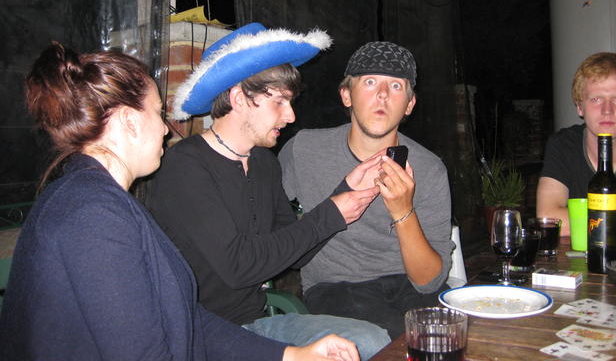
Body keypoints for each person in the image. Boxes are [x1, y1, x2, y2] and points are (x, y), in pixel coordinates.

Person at [0, 41, 360, 361]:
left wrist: (289, 355)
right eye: (158, 114)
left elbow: (183, 319)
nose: (165, 129)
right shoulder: (92, 215)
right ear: (128, 121)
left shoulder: (104, 202)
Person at [147, 23, 391, 360]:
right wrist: (332, 212)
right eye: (279, 101)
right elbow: (239, 267)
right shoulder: (186, 166)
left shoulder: (264, 162)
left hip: (258, 324)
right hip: (202, 338)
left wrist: (346, 191)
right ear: (238, 99)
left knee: (371, 339)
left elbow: (297, 253)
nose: (290, 116)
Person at [278, 41, 455, 339]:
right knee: (391, 341)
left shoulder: (430, 168)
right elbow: (269, 230)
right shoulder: (304, 150)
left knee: (451, 335)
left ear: (409, 104)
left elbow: (429, 282)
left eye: (396, 86)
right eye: (370, 82)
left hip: (410, 286)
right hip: (336, 287)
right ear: (346, 95)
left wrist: (403, 211)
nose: (383, 94)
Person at [537, 52, 616, 236]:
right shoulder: (563, 145)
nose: (607, 110)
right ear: (579, 107)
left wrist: (589, 222)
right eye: (596, 99)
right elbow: (549, 218)